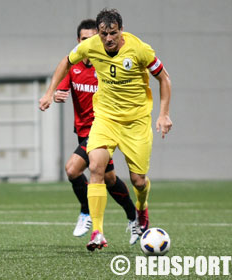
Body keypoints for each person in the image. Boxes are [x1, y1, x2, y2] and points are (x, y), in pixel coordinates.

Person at [40, 9, 172, 251]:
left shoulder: (140, 49)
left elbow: (164, 79)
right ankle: (97, 232)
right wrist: (50, 92)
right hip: (105, 119)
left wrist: (163, 114)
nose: (108, 38)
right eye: (104, 34)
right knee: (95, 168)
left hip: (136, 122)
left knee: (138, 181)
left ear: (121, 30)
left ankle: (141, 209)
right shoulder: (90, 46)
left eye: (113, 33)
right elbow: (65, 62)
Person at [54, 19, 139, 244]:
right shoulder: (74, 68)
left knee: (72, 169)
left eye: (94, 38)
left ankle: (86, 212)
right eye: (85, 39)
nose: (90, 42)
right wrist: (54, 95)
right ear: (79, 42)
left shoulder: (108, 66)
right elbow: (61, 88)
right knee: (109, 179)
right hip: (84, 133)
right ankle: (133, 217)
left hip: (104, 131)